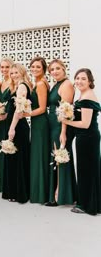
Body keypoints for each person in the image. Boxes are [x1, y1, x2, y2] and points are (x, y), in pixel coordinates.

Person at [62, 68, 101, 215]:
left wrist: (65, 120)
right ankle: (90, 202)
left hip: (88, 138)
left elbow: (85, 124)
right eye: (77, 78)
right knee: (87, 170)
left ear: (90, 81)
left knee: (86, 170)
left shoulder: (87, 97)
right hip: (85, 137)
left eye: (83, 78)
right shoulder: (83, 95)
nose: (79, 81)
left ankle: (86, 205)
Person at [45, 59, 77, 207]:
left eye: (57, 68)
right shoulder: (55, 85)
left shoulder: (67, 84)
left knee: (60, 157)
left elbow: (66, 110)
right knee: (57, 157)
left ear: (64, 69)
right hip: (52, 125)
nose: (54, 71)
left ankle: (60, 195)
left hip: (60, 126)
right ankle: (58, 193)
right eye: (52, 70)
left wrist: (63, 132)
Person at [4, 63, 32, 203]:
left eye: (16, 72)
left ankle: (19, 193)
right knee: (12, 157)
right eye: (12, 73)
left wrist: (12, 128)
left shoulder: (22, 86)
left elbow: (19, 109)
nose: (13, 75)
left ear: (22, 73)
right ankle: (13, 191)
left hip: (18, 127)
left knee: (17, 158)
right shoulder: (14, 86)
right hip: (13, 125)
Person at [28, 57, 50, 204]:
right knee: (37, 155)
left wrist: (25, 114)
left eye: (38, 67)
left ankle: (40, 194)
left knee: (40, 155)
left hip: (41, 123)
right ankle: (37, 191)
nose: (35, 69)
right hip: (36, 123)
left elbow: (42, 109)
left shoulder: (41, 84)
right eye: (33, 67)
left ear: (43, 69)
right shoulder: (36, 83)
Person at [0, 57, 14, 192]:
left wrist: (6, 114)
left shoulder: (15, 83)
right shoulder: (1, 83)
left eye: (7, 67)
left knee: (10, 148)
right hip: (0, 121)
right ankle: (1, 183)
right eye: (2, 67)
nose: (4, 70)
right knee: (1, 149)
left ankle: (10, 184)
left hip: (10, 119)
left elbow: (14, 102)